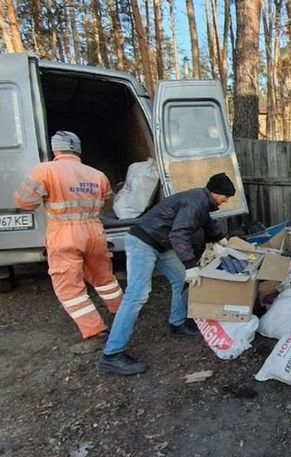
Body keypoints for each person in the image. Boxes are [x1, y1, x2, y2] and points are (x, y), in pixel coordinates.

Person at [97, 173, 236, 375]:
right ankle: (112, 355)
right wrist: (190, 265)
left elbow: (206, 222)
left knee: (181, 280)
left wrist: (221, 240)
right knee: (137, 295)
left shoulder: (201, 201)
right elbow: (179, 234)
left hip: (160, 243)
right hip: (143, 242)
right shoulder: (196, 202)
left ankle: (177, 324)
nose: (227, 201)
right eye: (226, 197)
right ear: (216, 193)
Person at [14, 131, 123, 354]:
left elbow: (24, 202)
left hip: (64, 235)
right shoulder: (97, 174)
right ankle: (124, 313)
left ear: (56, 149)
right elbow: (106, 201)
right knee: (105, 279)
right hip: (95, 231)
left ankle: (94, 331)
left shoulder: (45, 170)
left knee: (69, 289)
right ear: (78, 150)